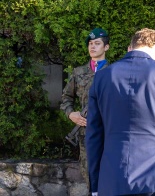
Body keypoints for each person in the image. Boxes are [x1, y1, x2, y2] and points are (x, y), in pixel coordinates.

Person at [86, 28, 155, 196]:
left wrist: (95, 185)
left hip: (113, 176)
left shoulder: (101, 77)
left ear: (130, 48)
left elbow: (93, 134)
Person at [60, 27, 110, 190]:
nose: (92, 47)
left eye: (97, 43)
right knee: (89, 175)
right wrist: (71, 114)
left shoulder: (114, 72)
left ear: (106, 47)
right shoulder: (78, 72)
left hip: (109, 133)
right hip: (85, 134)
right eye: (90, 43)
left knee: (109, 174)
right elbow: (66, 98)